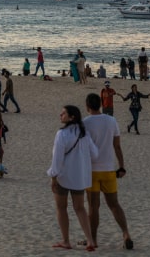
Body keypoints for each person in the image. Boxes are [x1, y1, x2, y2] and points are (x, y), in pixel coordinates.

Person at [84, 92, 134, 251]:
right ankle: (126, 233)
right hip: (108, 170)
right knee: (114, 204)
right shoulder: (111, 121)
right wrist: (122, 166)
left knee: (93, 207)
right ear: (101, 104)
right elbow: (117, 146)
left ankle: (93, 240)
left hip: (92, 171)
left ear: (87, 106)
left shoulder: (85, 123)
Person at [47, 105, 98, 251]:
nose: (60, 115)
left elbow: (57, 158)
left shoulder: (62, 134)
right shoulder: (84, 133)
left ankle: (66, 241)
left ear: (72, 117)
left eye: (63, 113)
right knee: (80, 208)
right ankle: (90, 240)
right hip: (79, 177)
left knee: (61, 207)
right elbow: (95, 154)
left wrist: (53, 176)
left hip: (63, 176)